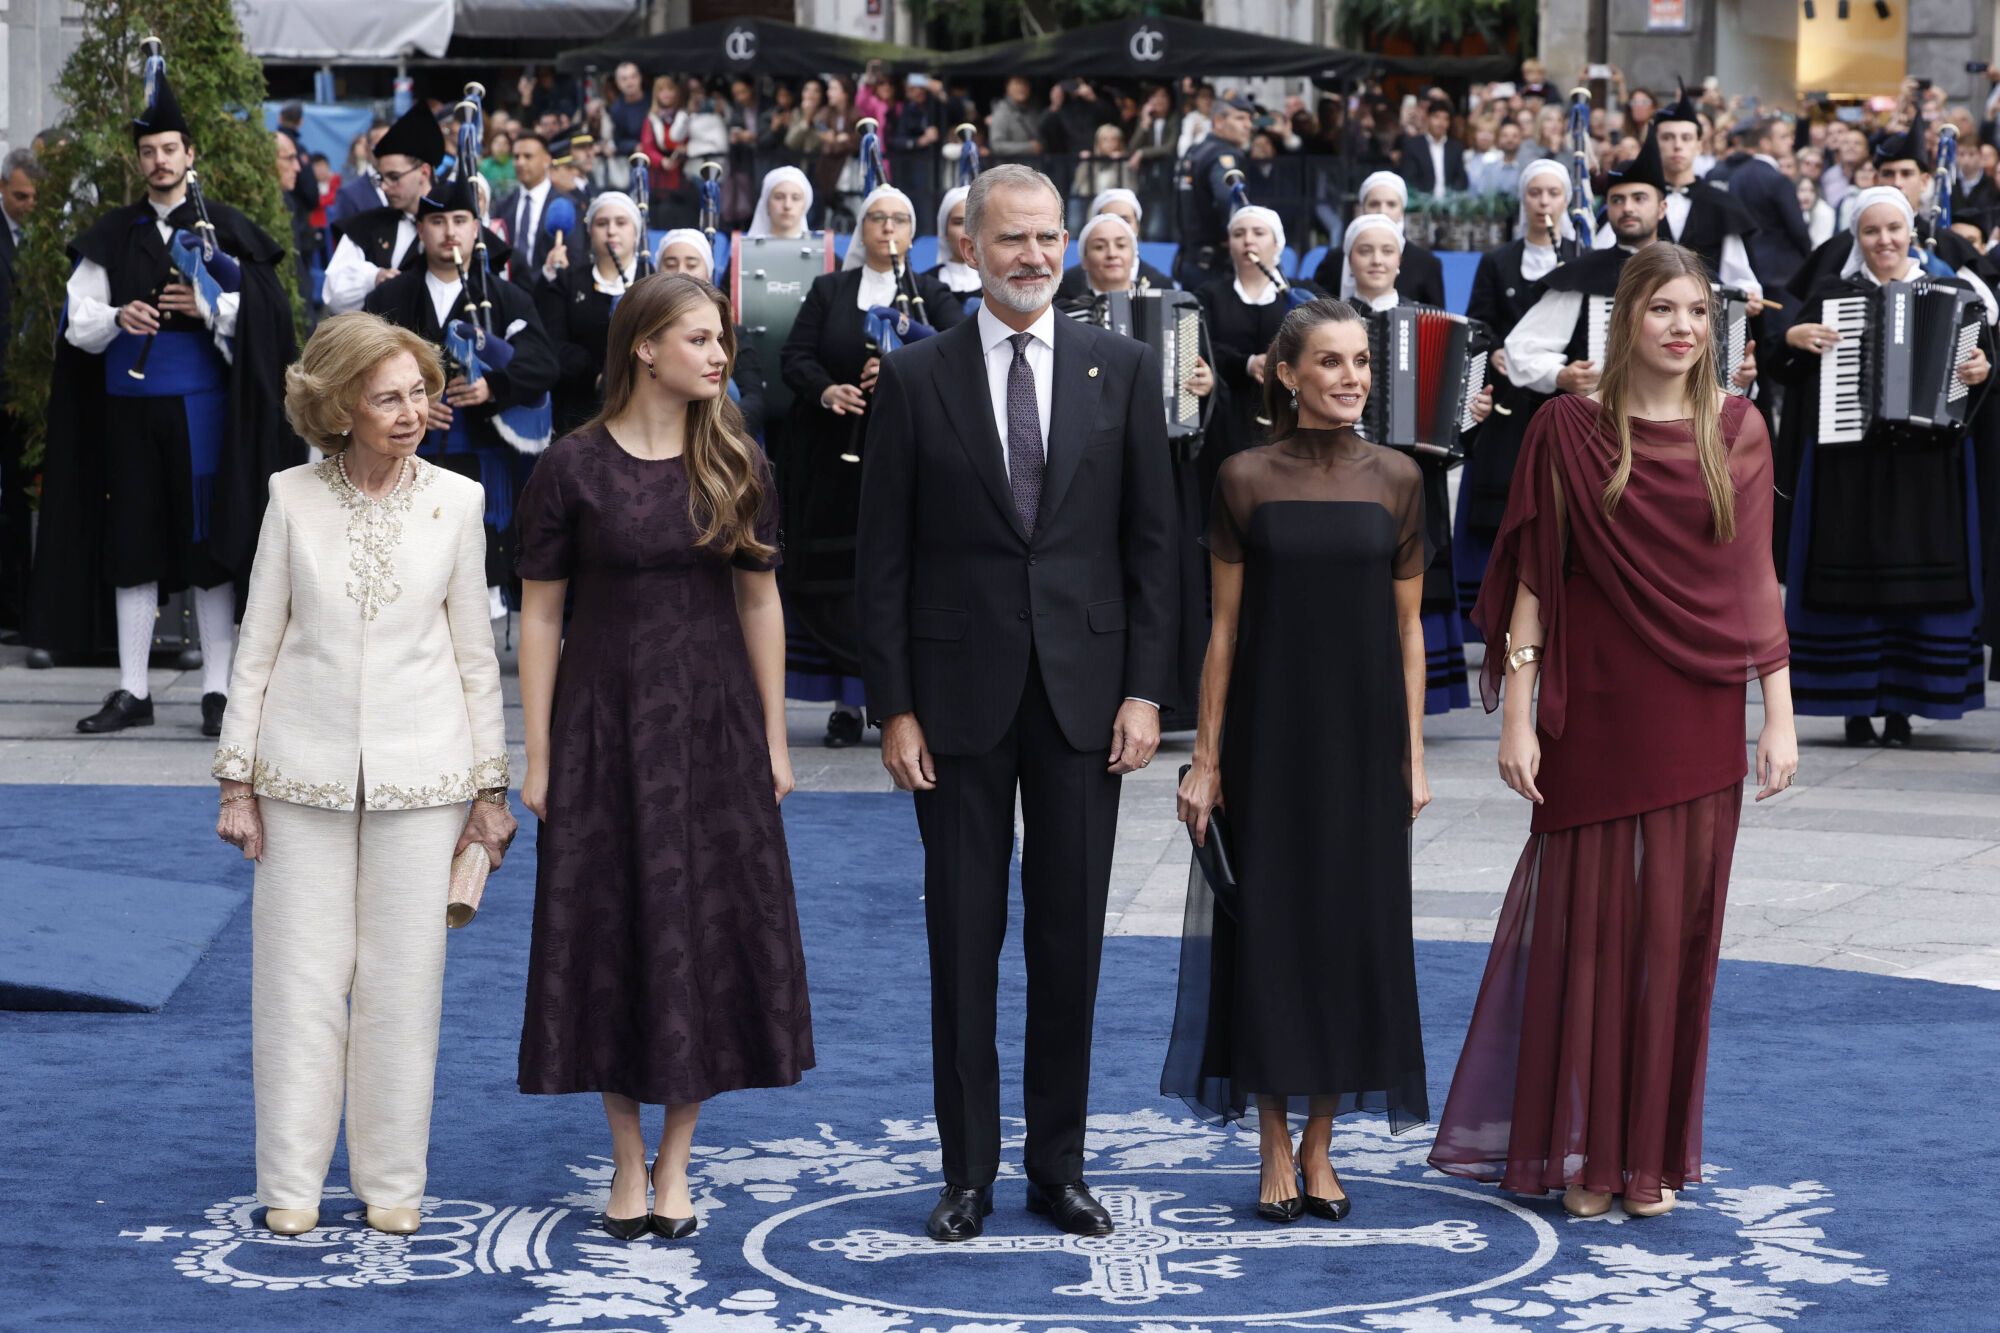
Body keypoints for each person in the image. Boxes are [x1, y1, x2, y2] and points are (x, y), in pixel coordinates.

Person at [1429, 242, 1798, 1219]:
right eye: (1662, 310)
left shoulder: (1739, 431)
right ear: (1625, 318)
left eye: (1696, 313)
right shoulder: (1563, 428)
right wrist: (1515, 714)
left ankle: (1645, 1158)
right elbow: (1532, 586)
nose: (1681, 328)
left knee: (1673, 937)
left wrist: (1780, 719)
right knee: (1585, 933)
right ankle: (1580, 1156)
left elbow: (1753, 581)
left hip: (1697, 704)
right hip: (1589, 704)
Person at [855, 163, 1176, 1244]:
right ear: (969, 246)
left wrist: (1144, 689)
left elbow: (1151, 548)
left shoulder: (1120, 368)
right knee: (963, 938)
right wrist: (892, 706)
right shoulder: (913, 376)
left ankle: (1057, 1167)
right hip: (951, 703)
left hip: (1087, 700)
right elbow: (880, 563)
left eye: (1047, 238)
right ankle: (966, 1175)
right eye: (1010, 240)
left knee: (1068, 942)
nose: (1032, 257)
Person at [516, 273, 812, 1242]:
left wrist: (772, 738)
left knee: (702, 936)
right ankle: (621, 1162)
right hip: (602, 730)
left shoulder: (737, 459)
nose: (719, 354)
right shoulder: (570, 466)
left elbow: (762, 603)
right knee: (604, 933)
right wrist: (540, 752)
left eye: (721, 339)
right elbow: (541, 616)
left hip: (713, 730)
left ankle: (675, 1161)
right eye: (698, 337)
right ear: (642, 347)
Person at [214, 312, 515, 1237]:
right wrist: (236, 778)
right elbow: (257, 644)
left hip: (425, 781)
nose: (411, 410)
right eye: (388, 397)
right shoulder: (290, 496)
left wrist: (490, 789)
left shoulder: (458, 502)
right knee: (299, 986)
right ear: (339, 406)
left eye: (419, 392)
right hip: (295, 775)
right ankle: (292, 1187)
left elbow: (476, 656)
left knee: (403, 987)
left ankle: (393, 1180)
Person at [1168, 297, 1431, 1220]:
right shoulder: (1242, 476)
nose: (1351, 378)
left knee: (1349, 934)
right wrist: (1206, 757)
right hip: (1267, 737)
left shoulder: (1401, 478)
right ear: (1286, 374)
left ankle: (1323, 1146)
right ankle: (1273, 1140)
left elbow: (1409, 632)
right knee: (1271, 932)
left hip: (1362, 742)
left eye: (1361, 361)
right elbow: (1224, 631)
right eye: (1329, 362)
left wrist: (1415, 754)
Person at [29, 64, 295, 734]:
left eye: (169, 149)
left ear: (189, 155)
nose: (158, 161)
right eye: (148, 152)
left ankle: (217, 690)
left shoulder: (225, 229)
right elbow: (77, 322)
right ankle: (132, 689)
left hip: (203, 414)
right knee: (133, 542)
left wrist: (206, 305)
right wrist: (120, 317)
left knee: (208, 548)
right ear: (139, 160)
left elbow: (266, 321)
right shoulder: (111, 235)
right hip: (127, 411)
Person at [1773, 187, 1991, 746]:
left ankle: (1903, 707)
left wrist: (1979, 373)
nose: (1884, 241)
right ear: (1857, 239)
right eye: (1871, 231)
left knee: (1919, 584)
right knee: (1851, 579)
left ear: (1910, 232)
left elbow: (1983, 368)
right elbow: (1783, 366)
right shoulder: (1831, 295)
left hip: (1928, 465)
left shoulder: (1955, 291)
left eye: (1893, 229)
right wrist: (1793, 339)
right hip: (1849, 462)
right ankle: (1854, 706)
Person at [778, 182, 964, 748]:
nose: (888, 230)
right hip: (836, 460)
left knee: (897, 579)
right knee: (841, 585)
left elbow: (964, 353)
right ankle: (844, 705)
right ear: (862, 230)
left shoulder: (929, 292)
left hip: (912, 460)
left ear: (914, 232)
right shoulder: (830, 289)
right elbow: (795, 356)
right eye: (877, 219)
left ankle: (895, 699)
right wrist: (828, 390)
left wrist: (907, 369)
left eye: (900, 220)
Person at [363, 169, 558, 616]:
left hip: (481, 462)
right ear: (421, 229)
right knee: (405, 587)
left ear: (476, 227)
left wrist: (494, 386)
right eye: (437, 222)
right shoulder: (390, 297)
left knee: (477, 595)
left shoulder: (506, 297)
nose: (449, 232)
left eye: (459, 220)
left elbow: (543, 362)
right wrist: (408, 406)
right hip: (403, 458)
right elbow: (360, 368)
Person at [1058, 209, 1217, 730]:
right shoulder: (1064, 313)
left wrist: (1203, 389)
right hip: (1095, 466)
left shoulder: (1179, 310)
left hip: (1166, 464)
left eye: (1119, 245)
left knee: (1167, 573)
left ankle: (1168, 701)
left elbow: (1201, 397)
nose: (1109, 254)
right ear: (1082, 258)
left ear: (1135, 254)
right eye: (1098, 246)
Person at [1343, 214, 1491, 713]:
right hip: (1348, 467)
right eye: (1366, 250)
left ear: (1401, 261)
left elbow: (1451, 417)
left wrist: (1467, 411)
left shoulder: (1427, 317)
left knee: (1413, 574)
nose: (1377, 260)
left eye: (1387, 251)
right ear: (1350, 259)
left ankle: (1415, 694)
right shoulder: (1331, 318)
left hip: (1416, 474)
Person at [1456, 160, 1575, 627]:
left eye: (1552, 194)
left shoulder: (1578, 261)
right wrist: (1496, 350)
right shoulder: (1498, 260)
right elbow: (1477, 323)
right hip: (1507, 400)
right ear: (1523, 200)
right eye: (1535, 194)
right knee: (1503, 498)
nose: (1544, 203)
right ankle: (1498, 606)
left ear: (1566, 200)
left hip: (1561, 400)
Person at [1196, 203, 1324, 490]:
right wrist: (1247, 362)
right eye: (1239, 234)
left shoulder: (1303, 293)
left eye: (1258, 233)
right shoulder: (1210, 294)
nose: (1248, 240)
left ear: (1277, 243)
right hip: (1226, 415)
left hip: (1287, 411)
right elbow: (1202, 345)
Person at [1622, 90, 1763, 300]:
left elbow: (1740, 276)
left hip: (1706, 320)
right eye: (1668, 137)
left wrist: (1749, 295)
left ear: (1699, 145)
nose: (1677, 145)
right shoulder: (1634, 200)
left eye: (1686, 138)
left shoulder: (1723, 205)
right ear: (1654, 145)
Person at [537, 190, 649, 436]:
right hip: (580, 411)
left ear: (636, 232)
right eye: (602, 223)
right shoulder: (568, 281)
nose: (611, 231)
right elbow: (553, 343)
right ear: (590, 232)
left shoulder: (652, 283)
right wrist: (598, 378)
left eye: (621, 222)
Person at [323, 101, 447, 316]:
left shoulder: (454, 221)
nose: (384, 186)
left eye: (394, 177)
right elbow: (333, 291)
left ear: (424, 172)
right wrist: (374, 277)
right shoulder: (366, 225)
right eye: (381, 177)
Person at [651, 229, 767, 439]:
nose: (681, 271)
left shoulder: (735, 333)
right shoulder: (641, 329)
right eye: (670, 264)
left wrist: (716, 431)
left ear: (708, 272)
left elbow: (755, 398)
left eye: (692, 264)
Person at [0, 147, 39, 631]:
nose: (29, 204)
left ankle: (14, 601)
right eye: (21, 196)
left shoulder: (38, 237)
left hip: (20, 388)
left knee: (16, 500)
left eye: (34, 197)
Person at [1311, 172, 1447, 309]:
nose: (1383, 211)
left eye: (1391, 204)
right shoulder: (1336, 259)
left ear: (1402, 211)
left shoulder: (1426, 263)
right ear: (1362, 208)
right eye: (1374, 204)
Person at [1715, 116, 1812, 290]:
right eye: (1783, 137)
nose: (1791, 141)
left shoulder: (1738, 176)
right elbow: (1798, 231)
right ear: (1765, 143)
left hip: (1747, 267)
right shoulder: (1778, 180)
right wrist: (1809, 260)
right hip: (1783, 271)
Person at [1173, 94, 1255, 290]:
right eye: (1240, 118)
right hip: (1216, 267)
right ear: (1218, 121)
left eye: (1249, 119)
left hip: (1190, 259)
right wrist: (1244, 232)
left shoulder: (1195, 151)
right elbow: (1230, 199)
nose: (1248, 125)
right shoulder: (1223, 155)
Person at [1055, 188, 1172, 300]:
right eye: (1100, 247)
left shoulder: (1161, 284)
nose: (1112, 254)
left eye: (1125, 220)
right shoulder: (1067, 285)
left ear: (1137, 226)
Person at [1397, 97, 1469, 195]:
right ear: (1428, 118)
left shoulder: (1456, 147)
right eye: (1436, 117)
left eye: (1445, 119)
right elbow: (1409, 178)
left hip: (1450, 204)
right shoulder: (1413, 145)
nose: (1441, 123)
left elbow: (1461, 178)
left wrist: (1452, 197)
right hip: (1420, 204)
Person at [928, 185, 984, 304]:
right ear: (945, 231)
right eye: (959, 222)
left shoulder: (999, 279)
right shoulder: (925, 284)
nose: (967, 230)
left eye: (974, 222)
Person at [747, 164, 813, 239]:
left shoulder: (821, 249)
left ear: (805, 204)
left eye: (795, 198)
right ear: (767, 203)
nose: (787, 205)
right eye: (779, 197)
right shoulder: (743, 249)